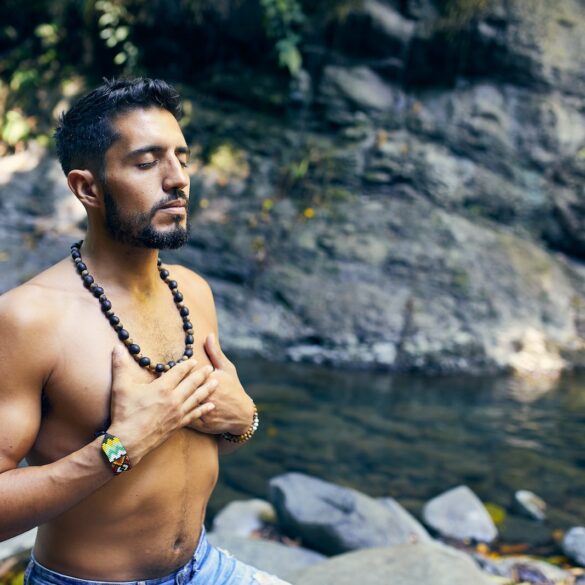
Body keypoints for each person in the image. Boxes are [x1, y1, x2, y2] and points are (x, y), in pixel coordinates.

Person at [0, 78, 290, 585]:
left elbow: (185, 446)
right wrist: (117, 448)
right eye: (147, 162)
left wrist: (244, 420)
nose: (177, 179)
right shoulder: (30, 319)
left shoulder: (193, 292)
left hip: (204, 567)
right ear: (87, 187)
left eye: (182, 157)